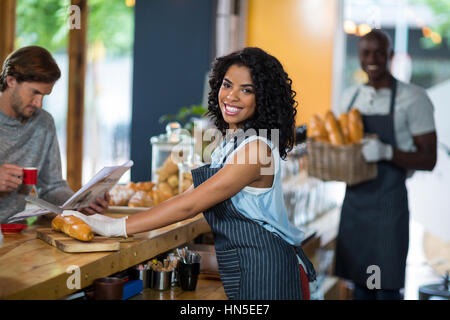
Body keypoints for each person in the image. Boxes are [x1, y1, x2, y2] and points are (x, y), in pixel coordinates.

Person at [63, 47, 316, 300]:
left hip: (268, 274)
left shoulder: (257, 149)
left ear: (265, 98)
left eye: (246, 90)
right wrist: (115, 220)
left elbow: (189, 205)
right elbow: (190, 195)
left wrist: (115, 227)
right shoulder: (233, 143)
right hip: (248, 269)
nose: (232, 96)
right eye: (227, 85)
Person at [333, 30, 437, 300]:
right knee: (361, 285)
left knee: (385, 287)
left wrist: (387, 151)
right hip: (355, 206)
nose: (372, 59)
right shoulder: (350, 98)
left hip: (387, 209)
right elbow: (344, 148)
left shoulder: (413, 98)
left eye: (379, 53)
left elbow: (429, 158)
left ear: (390, 56)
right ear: (358, 57)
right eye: (365, 53)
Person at [0, 46, 109, 223]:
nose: (39, 103)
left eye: (44, 95)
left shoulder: (43, 123)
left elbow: (51, 187)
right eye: (35, 92)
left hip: (15, 234)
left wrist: (79, 204)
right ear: (11, 81)